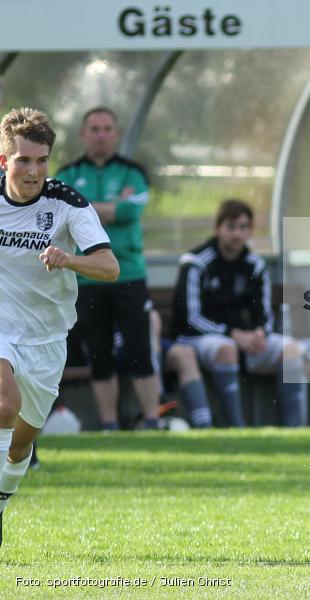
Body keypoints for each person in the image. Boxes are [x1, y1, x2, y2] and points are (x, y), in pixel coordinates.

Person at [0, 107, 119, 545]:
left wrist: (68, 259)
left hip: (48, 339)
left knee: (19, 444)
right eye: (23, 161)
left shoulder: (68, 204)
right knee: (3, 406)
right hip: (1, 331)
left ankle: (1, 500)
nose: (34, 171)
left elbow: (110, 267)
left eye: (42, 160)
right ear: (4, 161)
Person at [56, 107, 159, 430]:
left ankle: (152, 421)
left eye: (107, 128)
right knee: (98, 353)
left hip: (129, 273)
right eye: (94, 128)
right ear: (83, 134)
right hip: (86, 275)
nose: (100, 134)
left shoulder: (133, 171)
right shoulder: (68, 173)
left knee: (139, 349)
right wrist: (110, 207)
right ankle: (109, 424)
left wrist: (83, 207)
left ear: (116, 133)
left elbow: (130, 211)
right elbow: (63, 213)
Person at [172, 199, 310, 428]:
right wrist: (234, 335)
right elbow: (191, 318)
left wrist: (259, 333)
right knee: (226, 349)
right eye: (231, 227)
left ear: (250, 231)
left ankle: (295, 429)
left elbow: (263, 312)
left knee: (292, 350)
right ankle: (237, 429)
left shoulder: (254, 265)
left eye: (243, 227)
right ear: (218, 228)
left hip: (243, 341)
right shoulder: (196, 262)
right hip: (196, 339)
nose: (237, 234)